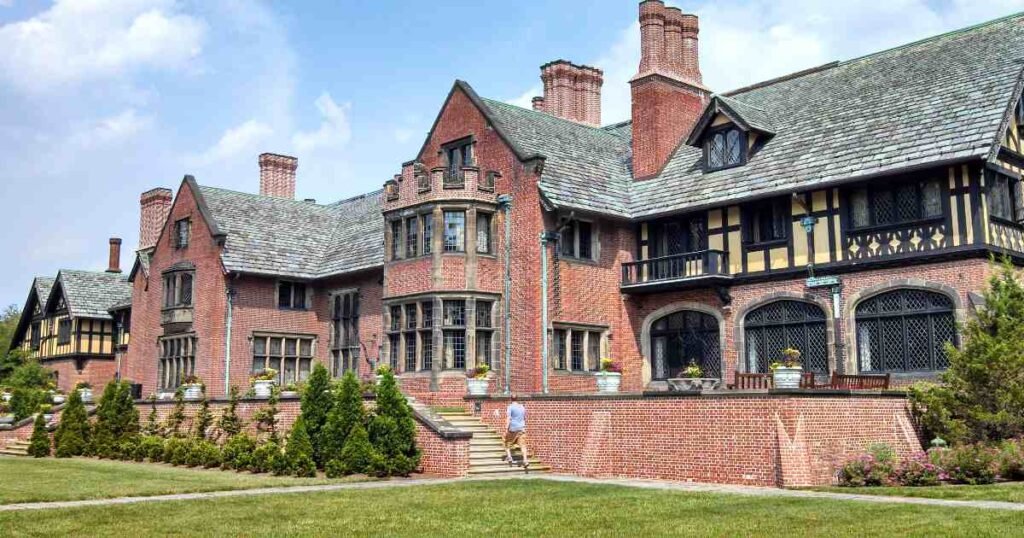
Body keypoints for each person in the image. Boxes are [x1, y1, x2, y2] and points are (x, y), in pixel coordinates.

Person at [503, 394, 529, 469]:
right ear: (517, 399)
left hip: (513, 428)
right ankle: (525, 460)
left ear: (511, 399)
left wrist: (506, 428)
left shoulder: (510, 407)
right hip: (521, 428)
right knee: (523, 446)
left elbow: (508, 418)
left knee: (507, 443)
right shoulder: (522, 407)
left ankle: (509, 457)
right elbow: (524, 417)